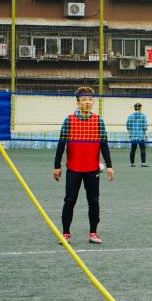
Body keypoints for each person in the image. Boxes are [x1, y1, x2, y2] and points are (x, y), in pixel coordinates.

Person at [54, 87, 113, 244]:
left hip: (92, 169)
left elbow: (104, 144)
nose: (88, 102)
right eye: (84, 99)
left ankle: (93, 233)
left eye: (90, 99)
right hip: (73, 169)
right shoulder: (69, 120)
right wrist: (57, 166)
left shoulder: (99, 121)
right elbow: (61, 143)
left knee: (93, 201)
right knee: (69, 201)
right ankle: (65, 234)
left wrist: (109, 165)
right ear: (78, 102)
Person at [125, 102, 149, 168]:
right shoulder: (143, 116)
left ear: (134, 108)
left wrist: (130, 133)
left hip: (133, 136)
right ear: (140, 107)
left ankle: (132, 163)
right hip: (141, 136)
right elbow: (144, 127)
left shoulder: (130, 116)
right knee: (142, 149)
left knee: (133, 150)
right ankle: (143, 163)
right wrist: (146, 134)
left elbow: (127, 125)